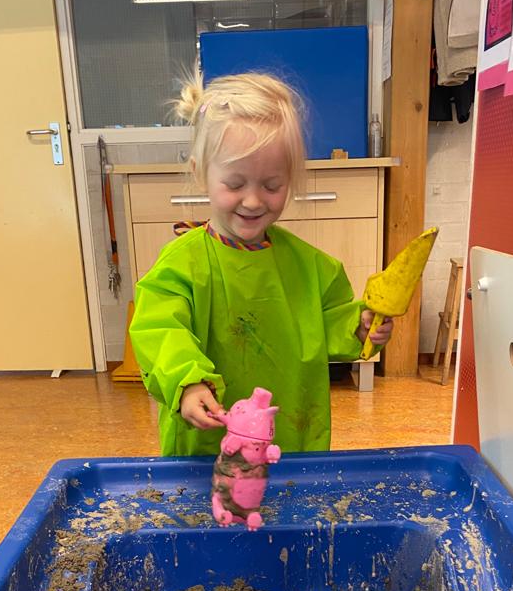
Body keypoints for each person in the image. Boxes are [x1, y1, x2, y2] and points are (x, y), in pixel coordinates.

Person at [129, 71, 393, 456]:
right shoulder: (182, 263)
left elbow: (328, 323)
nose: (253, 201)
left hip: (289, 442)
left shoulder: (309, 265)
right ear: (200, 173)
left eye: (272, 186)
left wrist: (359, 326)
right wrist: (186, 381)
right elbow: (159, 330)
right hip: (208, 447)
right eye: (235, 184)